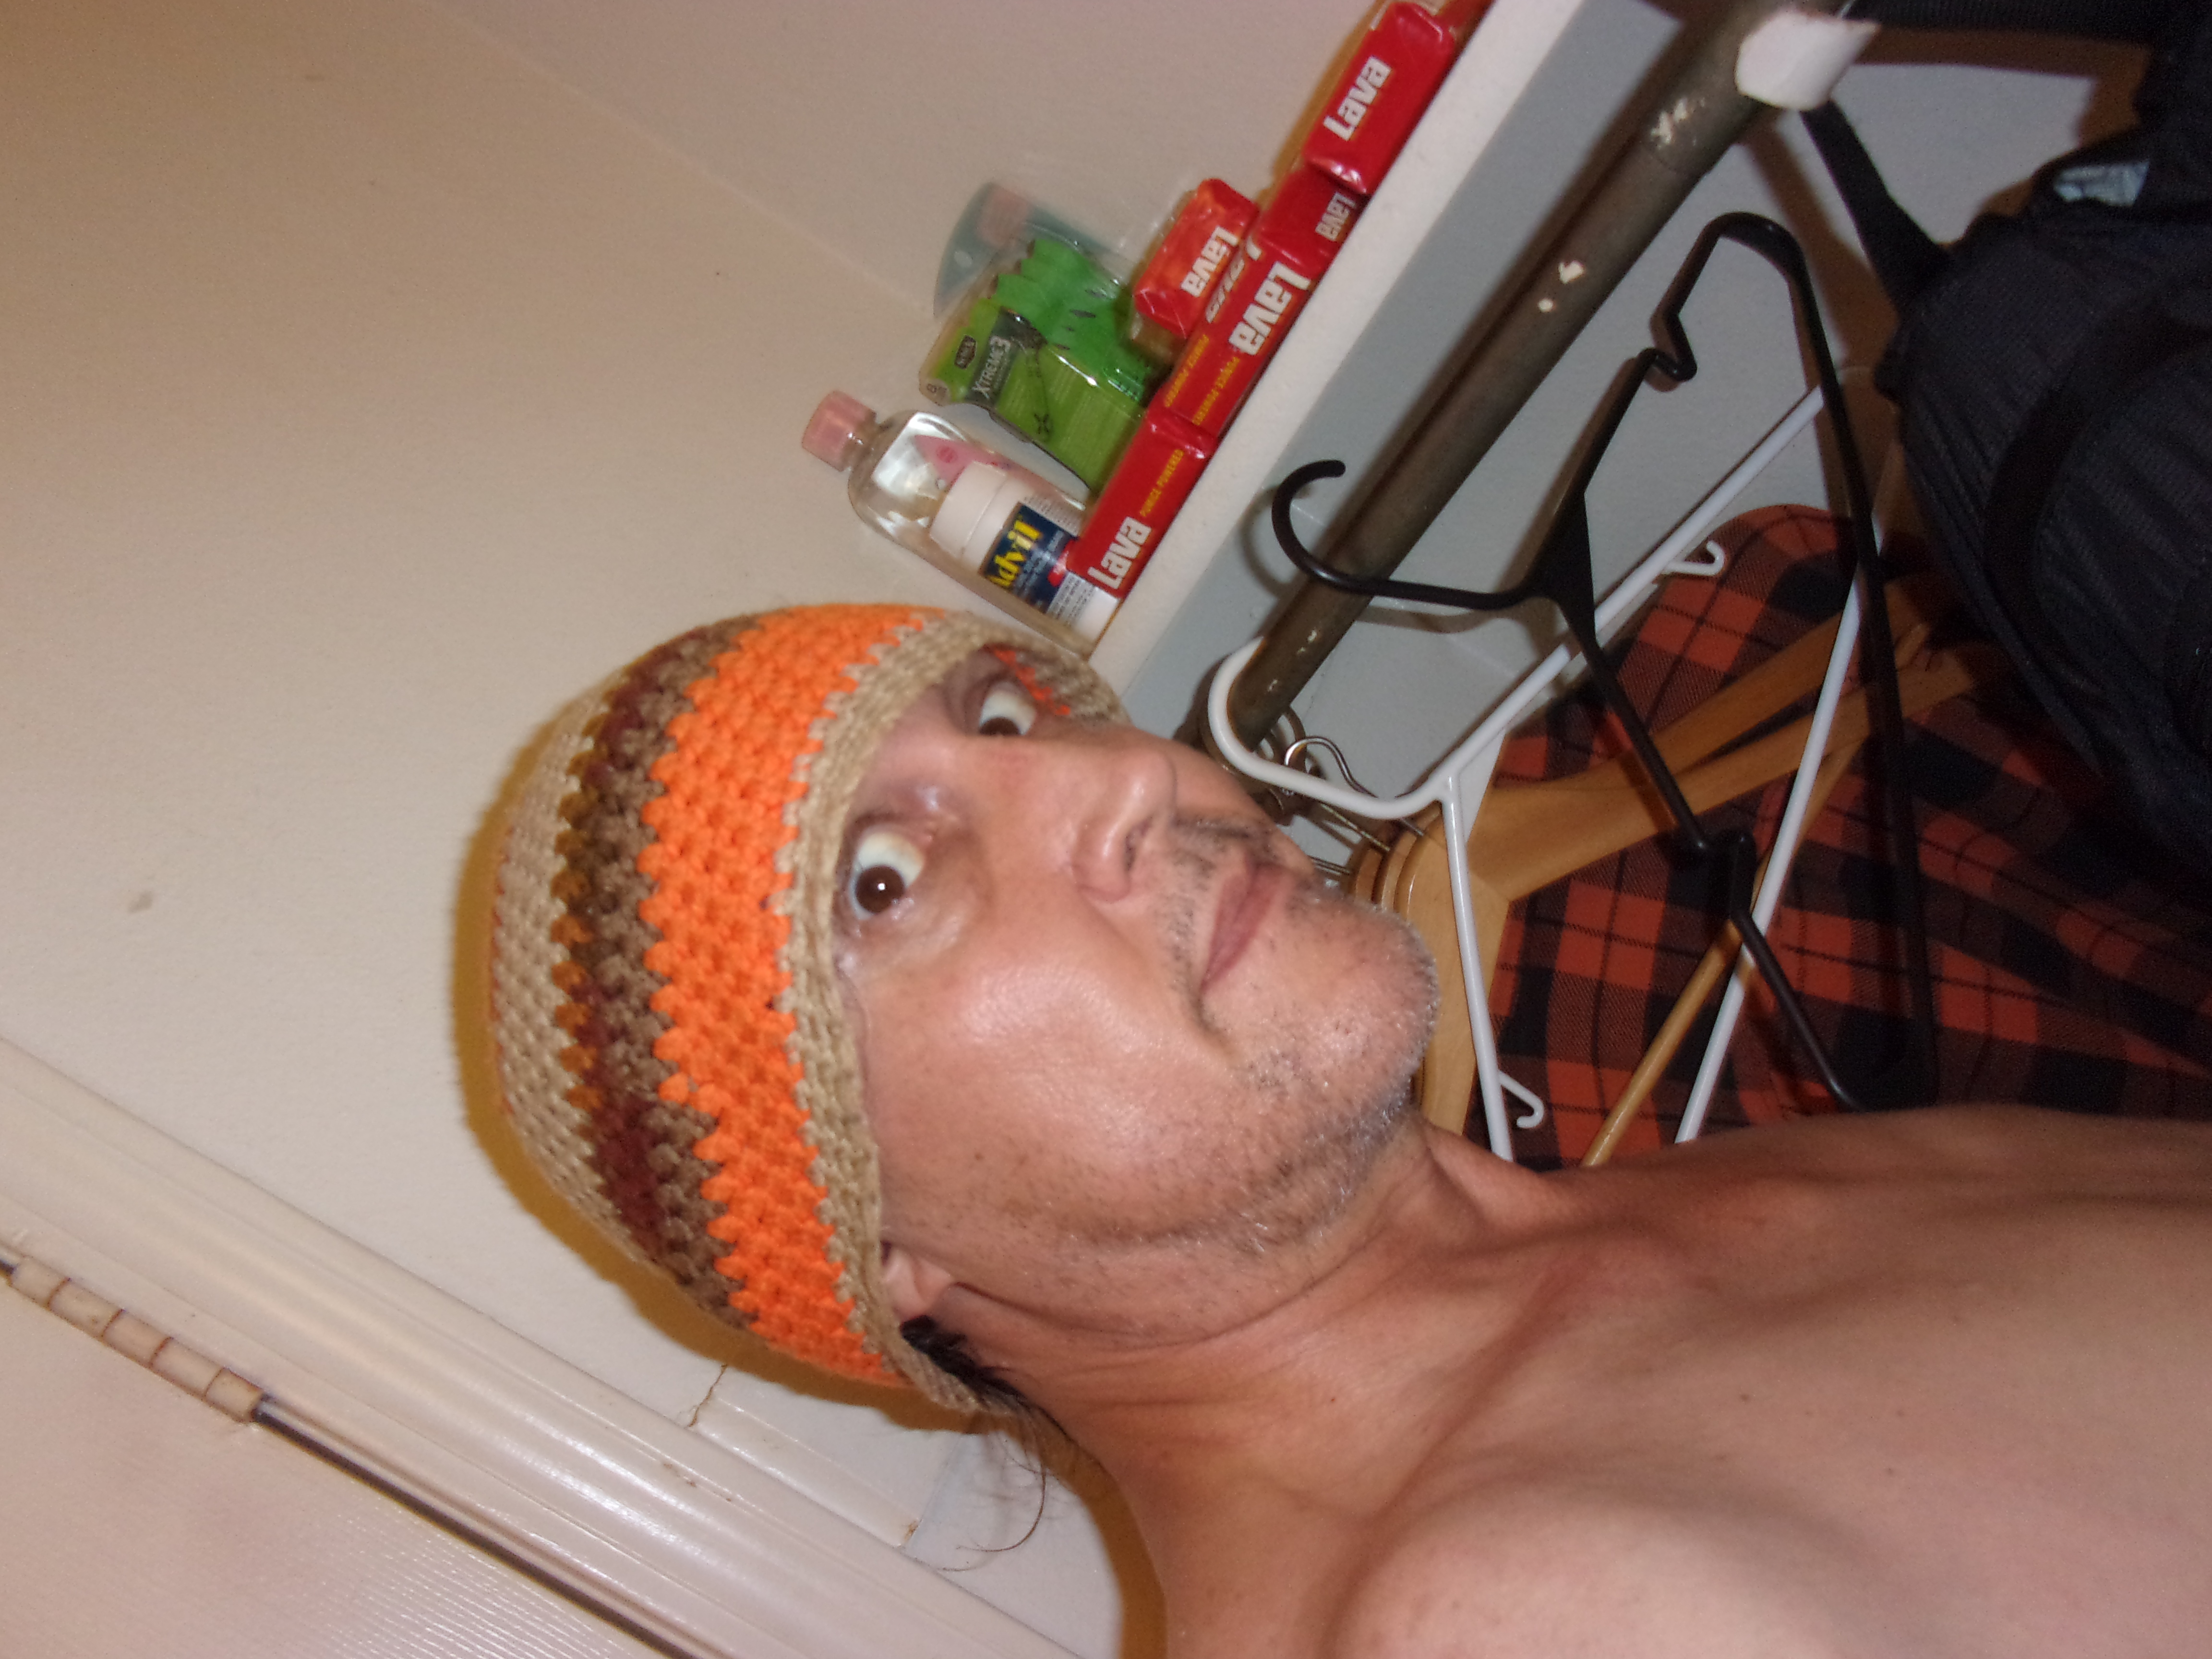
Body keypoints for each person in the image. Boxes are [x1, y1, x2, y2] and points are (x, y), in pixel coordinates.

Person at [489, 603, 2212, 1658]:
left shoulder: (1665, 1212)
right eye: (885, 882)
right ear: (867, 1248)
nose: (1119, 773)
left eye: (1009, 720)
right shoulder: (1488, 1619)